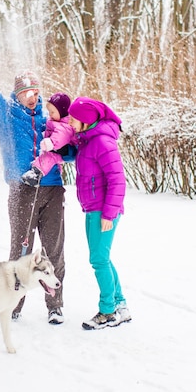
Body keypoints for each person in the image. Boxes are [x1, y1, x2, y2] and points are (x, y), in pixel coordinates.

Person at [0, 22, 67, 325]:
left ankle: (55, 305)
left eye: (35, 91)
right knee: (21, 249)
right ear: (17, 94)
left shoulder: (49, 118)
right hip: (21, 189)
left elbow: (68, 139)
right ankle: (13, 305)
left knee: (55, 250)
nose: (33, 97)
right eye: (26, 92)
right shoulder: (5, 111)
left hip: (53, 189)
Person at [68, 96, 132, 330]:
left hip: (103, 210)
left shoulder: (102, 142)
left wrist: (108, 215)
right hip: (93, 207)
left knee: (98, 259)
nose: (70, 122)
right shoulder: (87, 140)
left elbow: (118, 180)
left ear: (85, 121)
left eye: (73, 119)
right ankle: (120, 304)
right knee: (102, 257)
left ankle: (108, 312)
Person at [21, 92, 74, 187]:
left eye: (52, 112)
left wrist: (51, 143)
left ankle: (35, 174)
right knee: (48, 158)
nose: (50, 114)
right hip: (55, 148)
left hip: (57, 149)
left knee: (48, 157)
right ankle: (36, 173)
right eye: (49, 111)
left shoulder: (65, 126)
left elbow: (61, 136)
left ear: (62, 111)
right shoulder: (56, 121)